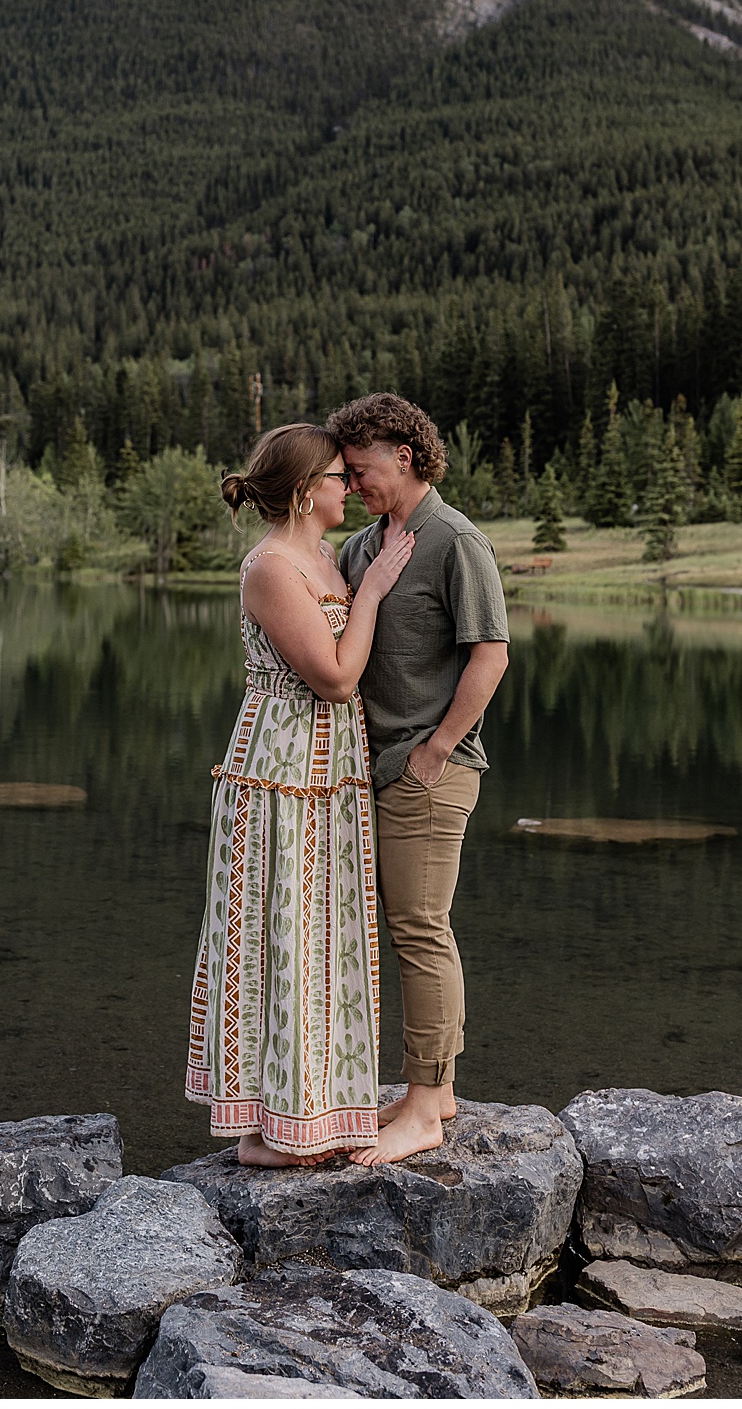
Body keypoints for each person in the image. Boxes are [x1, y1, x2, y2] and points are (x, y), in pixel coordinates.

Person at [184, 422, 414, 1164]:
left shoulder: (321, 554)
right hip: (280, 774)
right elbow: (336, 676)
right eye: (338, 477)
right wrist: (374, 588)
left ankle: (313, 1115)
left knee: (319, 940)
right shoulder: (273, 568)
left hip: (329, 775)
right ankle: (261, 1131)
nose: (350, 485)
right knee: (273, 938)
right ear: (306, 490)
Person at [328, 393, 510, 1165]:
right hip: (375, 770)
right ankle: (427, 1092)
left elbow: (491, 655)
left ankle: (428, 1111)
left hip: (428, 771)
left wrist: (434, 752)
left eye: (362, 469)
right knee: (400, 932)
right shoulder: (366, 545)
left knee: (420, 929)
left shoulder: (454, 541)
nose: (353, 482)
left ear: (404, 455)